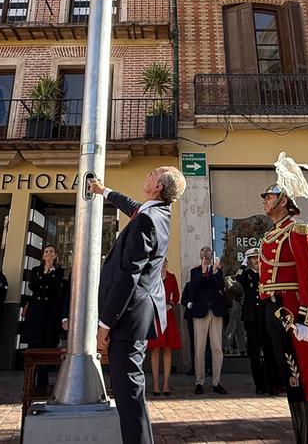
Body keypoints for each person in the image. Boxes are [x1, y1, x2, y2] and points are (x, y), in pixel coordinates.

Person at [92, 166, 185, 444]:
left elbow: (127, 277)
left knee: (129, 397)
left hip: (128, 319)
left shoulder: (147, 220)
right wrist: (103, 191)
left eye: (153, 173)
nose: (148, 173)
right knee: (130, 394)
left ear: (158, 187)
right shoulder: (155, 213)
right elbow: (133, 206)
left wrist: (104, 323)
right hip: (137, 318)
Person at [258, 154, 308, 444]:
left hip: (293, 309)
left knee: (306, 376)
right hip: (274, 308)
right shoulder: (270, 235)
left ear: (284, 199)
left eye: (270, 195)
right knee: (290, 374)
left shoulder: (299, 230)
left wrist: (307, 316)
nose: (265, 199)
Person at [22, 244, 68, 393]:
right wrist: (45, 272)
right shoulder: (36, 271)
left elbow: (57, 289)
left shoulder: (60, 272)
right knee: (33, 347)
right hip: (36, 313)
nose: (48, 254)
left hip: (50, 314)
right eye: (46, 252)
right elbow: (33, 286)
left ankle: (42, 383)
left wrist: (51, 273)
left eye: (51, 252)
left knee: (47, 348)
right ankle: (29, 382)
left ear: (55, 256)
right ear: (43, 256)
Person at [186, 245, 226, 395]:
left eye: (208, 255)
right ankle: (199, 382)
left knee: (217, 348)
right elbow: (193, 289)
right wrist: (203, 274)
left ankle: (216, 382)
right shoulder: (195, 271)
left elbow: (221, 287)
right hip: (200, 313)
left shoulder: (216, 270)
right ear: (200, 256)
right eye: (204, 255)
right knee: (199, 348)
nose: (206, 258)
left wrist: (215, 272)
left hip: (215, 312)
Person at [238, 247, 277, 395]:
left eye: (257, 257)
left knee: (269, 350)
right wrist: (242, 264)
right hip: (251, 318)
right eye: (253, 258)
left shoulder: (265, 275)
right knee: (254, 353)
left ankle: (271, 383)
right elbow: (237, 279)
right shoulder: (246, 275)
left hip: (265, 315)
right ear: (249, 261)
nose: (256, 260)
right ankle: (259, 384)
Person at [147, 258, 180, 396]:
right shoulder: (152, 277)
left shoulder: (172, 277)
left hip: (168, 316)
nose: (162, 265)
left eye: (164, 262)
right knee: (155, 349)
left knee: (167, 348)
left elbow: (177, 295)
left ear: (166, 263)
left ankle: (166, 383)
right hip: (155, 316)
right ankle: (155, 383)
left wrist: (170, 304)